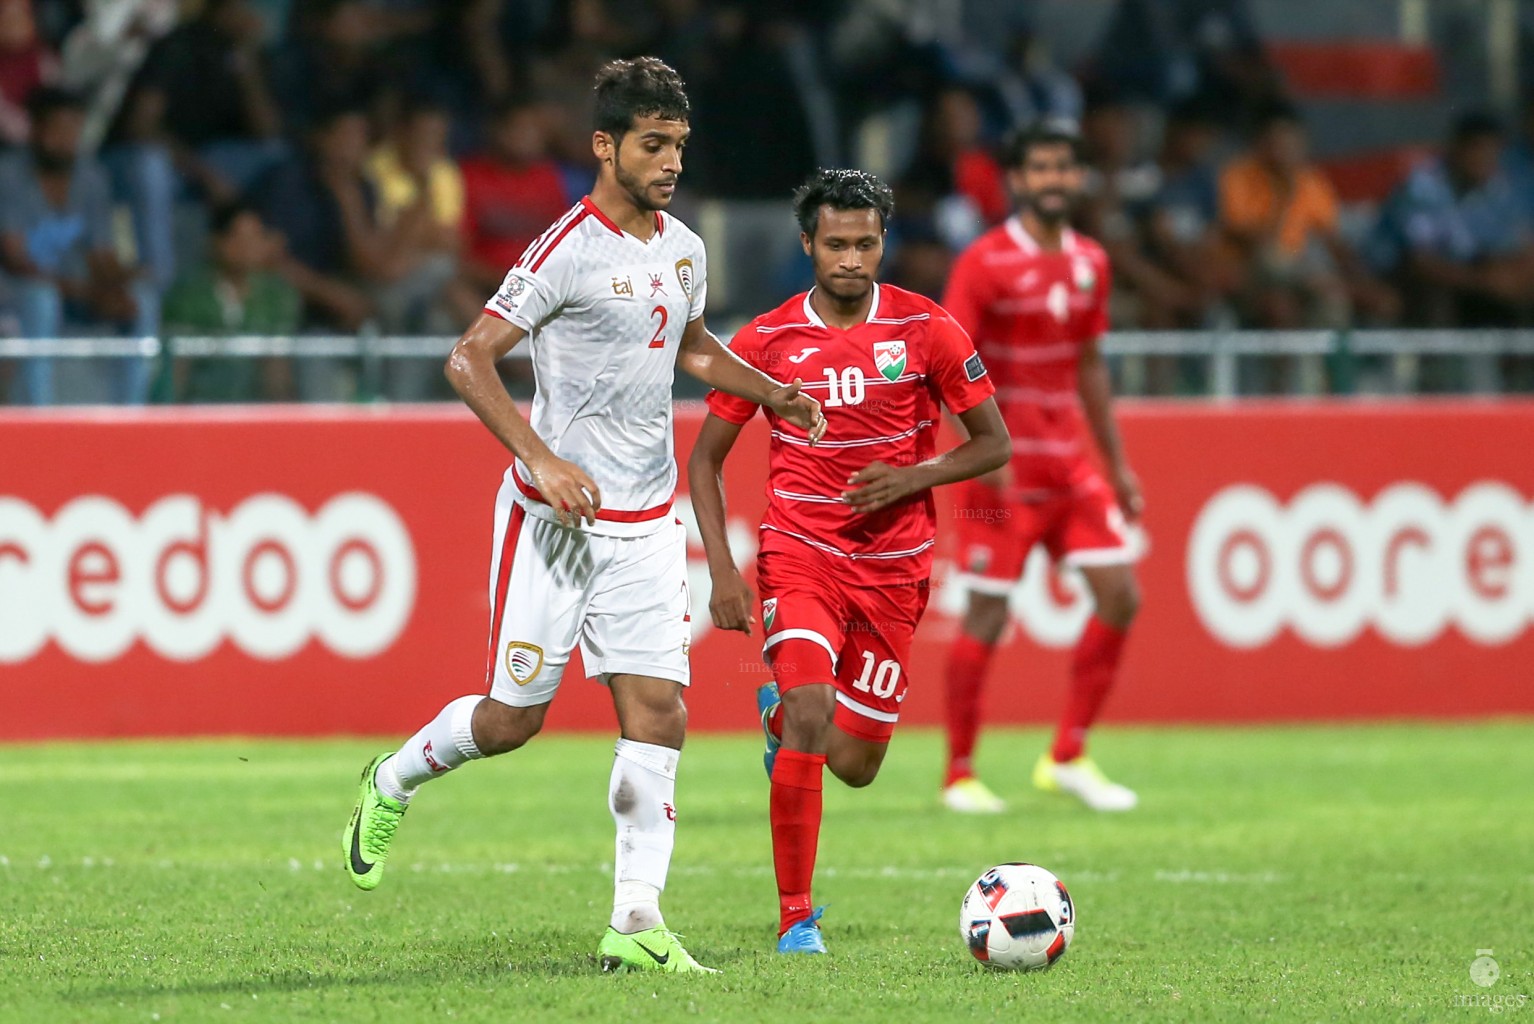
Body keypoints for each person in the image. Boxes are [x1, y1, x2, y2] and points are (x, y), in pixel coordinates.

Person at [341, 57, 826, 975]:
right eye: (654, 144)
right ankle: (392, 777)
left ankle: (635, 922)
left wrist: (773, 393)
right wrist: (541, 455)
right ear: (605, 147)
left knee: (660, 711)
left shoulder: (685, 246)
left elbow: (690, 345)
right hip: (555, 523)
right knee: (510, 720)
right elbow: (468, 357)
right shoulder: (566, 245)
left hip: (646, 522)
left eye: (680, 144)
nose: (671, 161)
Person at [688, 168, 1010, 954]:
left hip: (896, 565)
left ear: (882, 244)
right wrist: (725, 575)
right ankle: (796, 918)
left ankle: (779, 717)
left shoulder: (926, 330)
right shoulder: (765, 341)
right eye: (836, 244)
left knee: (858, 765)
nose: (851, 259)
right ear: (808, 245)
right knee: (811, 711)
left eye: (866, 244)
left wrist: (915, 476)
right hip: (800, 552)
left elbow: (993, 443)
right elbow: (703, 462)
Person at [938, 123, 1142, 815]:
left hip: (1069, 467)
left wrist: (1116, 465)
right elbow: (950, 360)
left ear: (1079, 177)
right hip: (1001, 472)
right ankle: (959, 772)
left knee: (1121, 595)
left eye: (1064, 167)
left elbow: (1089, 367)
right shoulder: (985, 262)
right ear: (1018, 180)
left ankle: (1068, 755)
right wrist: (976, 452)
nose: (1053, 179)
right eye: (1040, 169)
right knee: (988, 614)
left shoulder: (1091, 261)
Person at [0, 86, 157, 405]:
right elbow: (18, 261)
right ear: (36, 130)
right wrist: (90, 293)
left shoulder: (90, 177)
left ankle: (132, 413)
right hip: (17, 295)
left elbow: (101, 253)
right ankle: (38, 414)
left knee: (143, 298)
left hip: (75, 291)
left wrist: (121, 283)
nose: (66, 140)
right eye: (57, 130)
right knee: (41, 300)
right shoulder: (9, 175)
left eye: (74, 131)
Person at [161, 202, 300, 402]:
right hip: (199, 411)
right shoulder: (187, 295)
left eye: (255, 238)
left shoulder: (278, 297)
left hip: (255, 413)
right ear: (217, 241)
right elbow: (176, 370)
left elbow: (278, 370)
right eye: (239, 238)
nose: (247, 248)